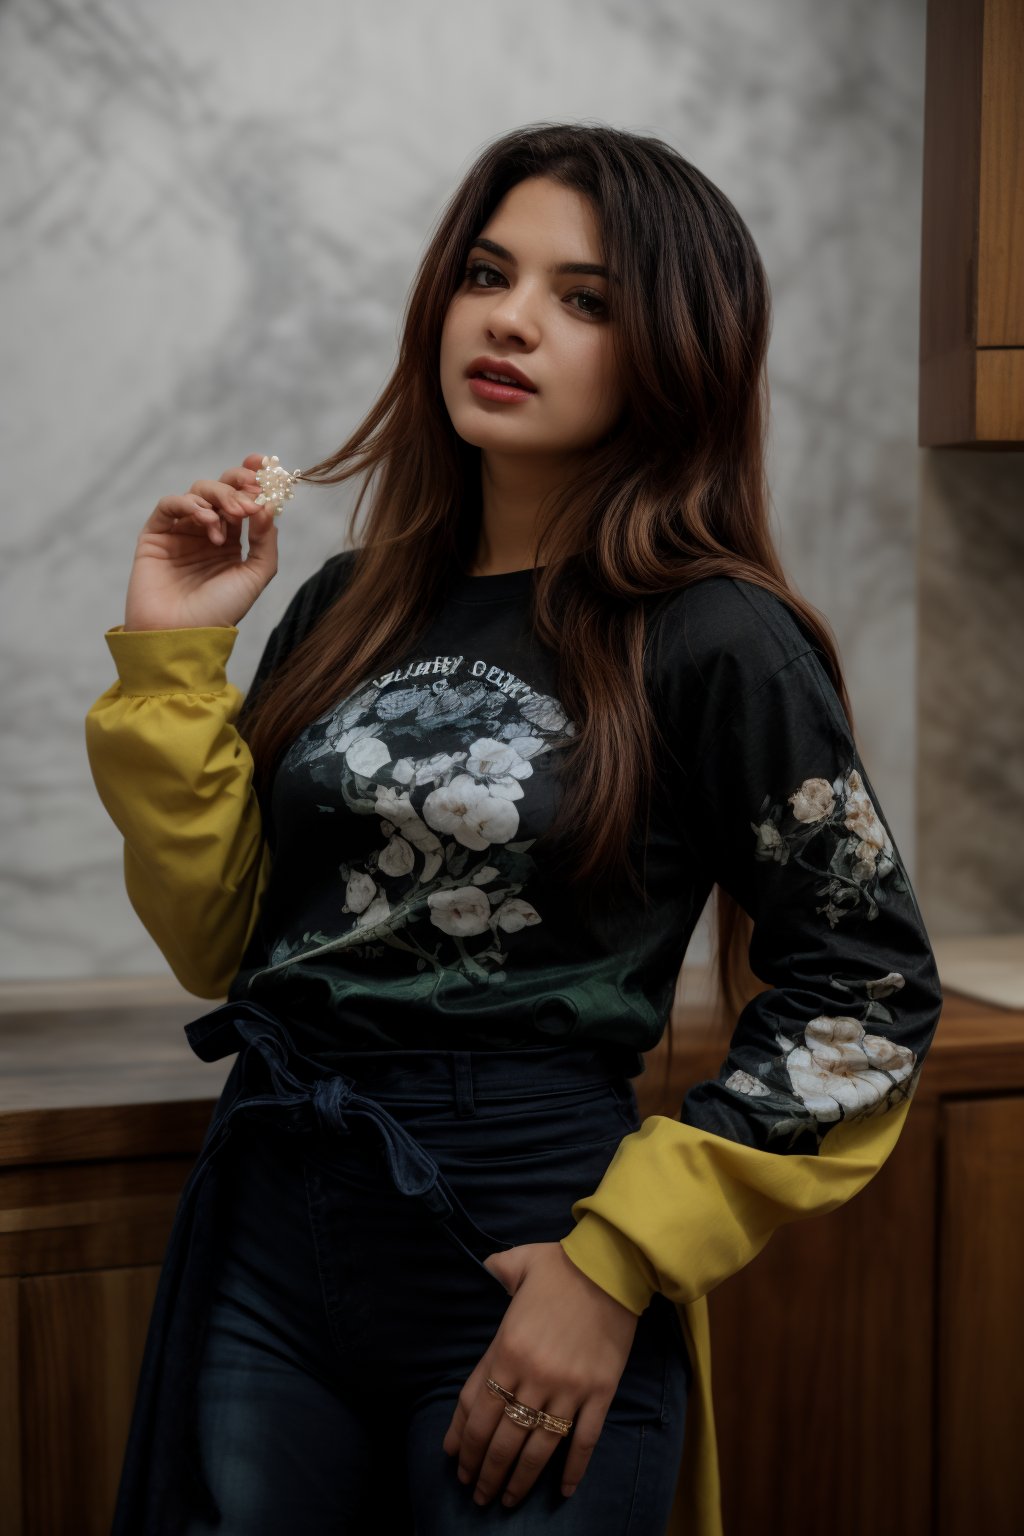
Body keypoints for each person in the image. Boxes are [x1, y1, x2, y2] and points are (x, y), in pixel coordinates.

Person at [85, 121, 944, 1536]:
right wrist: (173, 659)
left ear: (675, 347)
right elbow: (225, 943)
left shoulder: (716, 633)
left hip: (526, 1232)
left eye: (586, 297)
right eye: (489, 272)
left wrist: (616, 1268)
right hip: (273, 1216)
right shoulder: (348, 602)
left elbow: (870, 989)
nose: (512, 317)